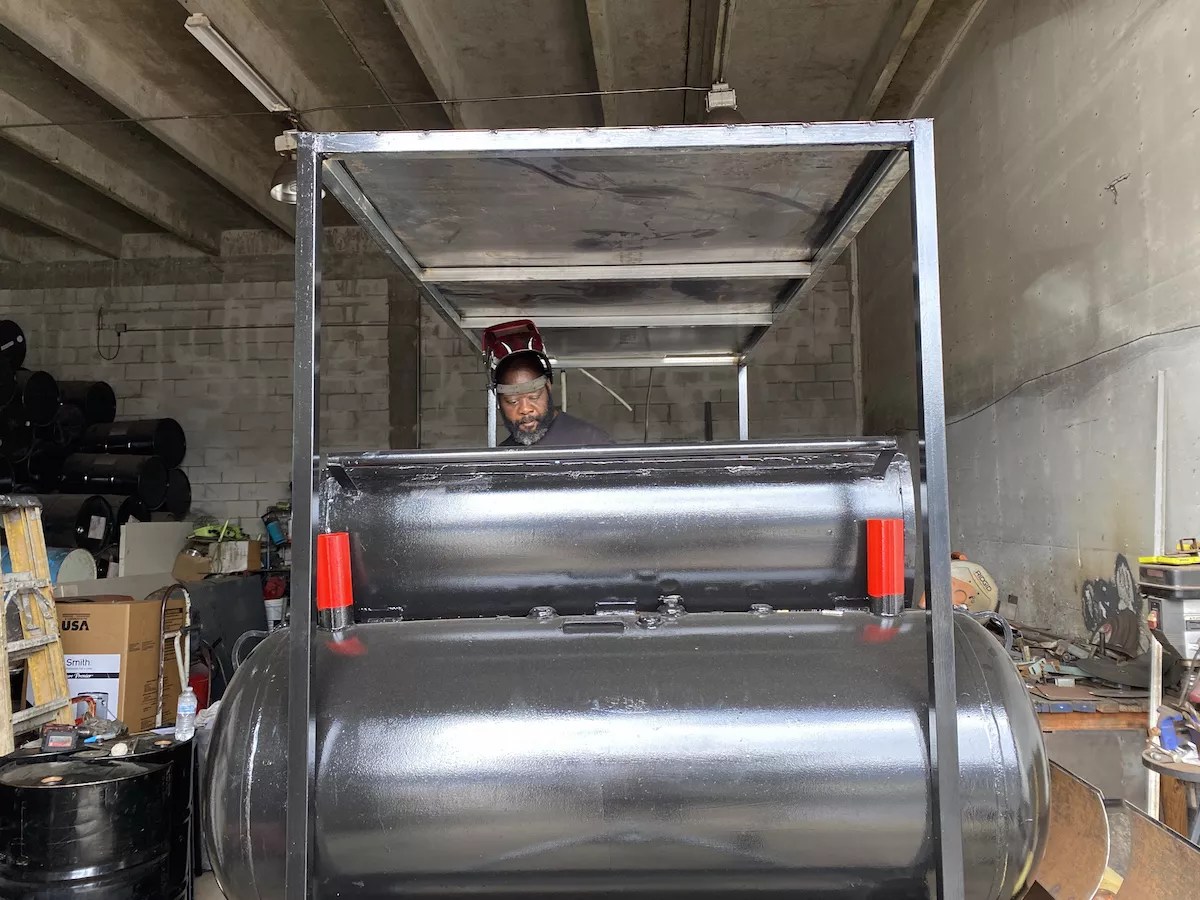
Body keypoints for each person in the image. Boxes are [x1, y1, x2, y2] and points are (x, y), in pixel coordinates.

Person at [483, 318, 611, 448]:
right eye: (513, 401)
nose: (525, 409)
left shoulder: (591, 442)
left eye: (534, 397)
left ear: (548, 386)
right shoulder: (503, 455)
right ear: (499, 401)